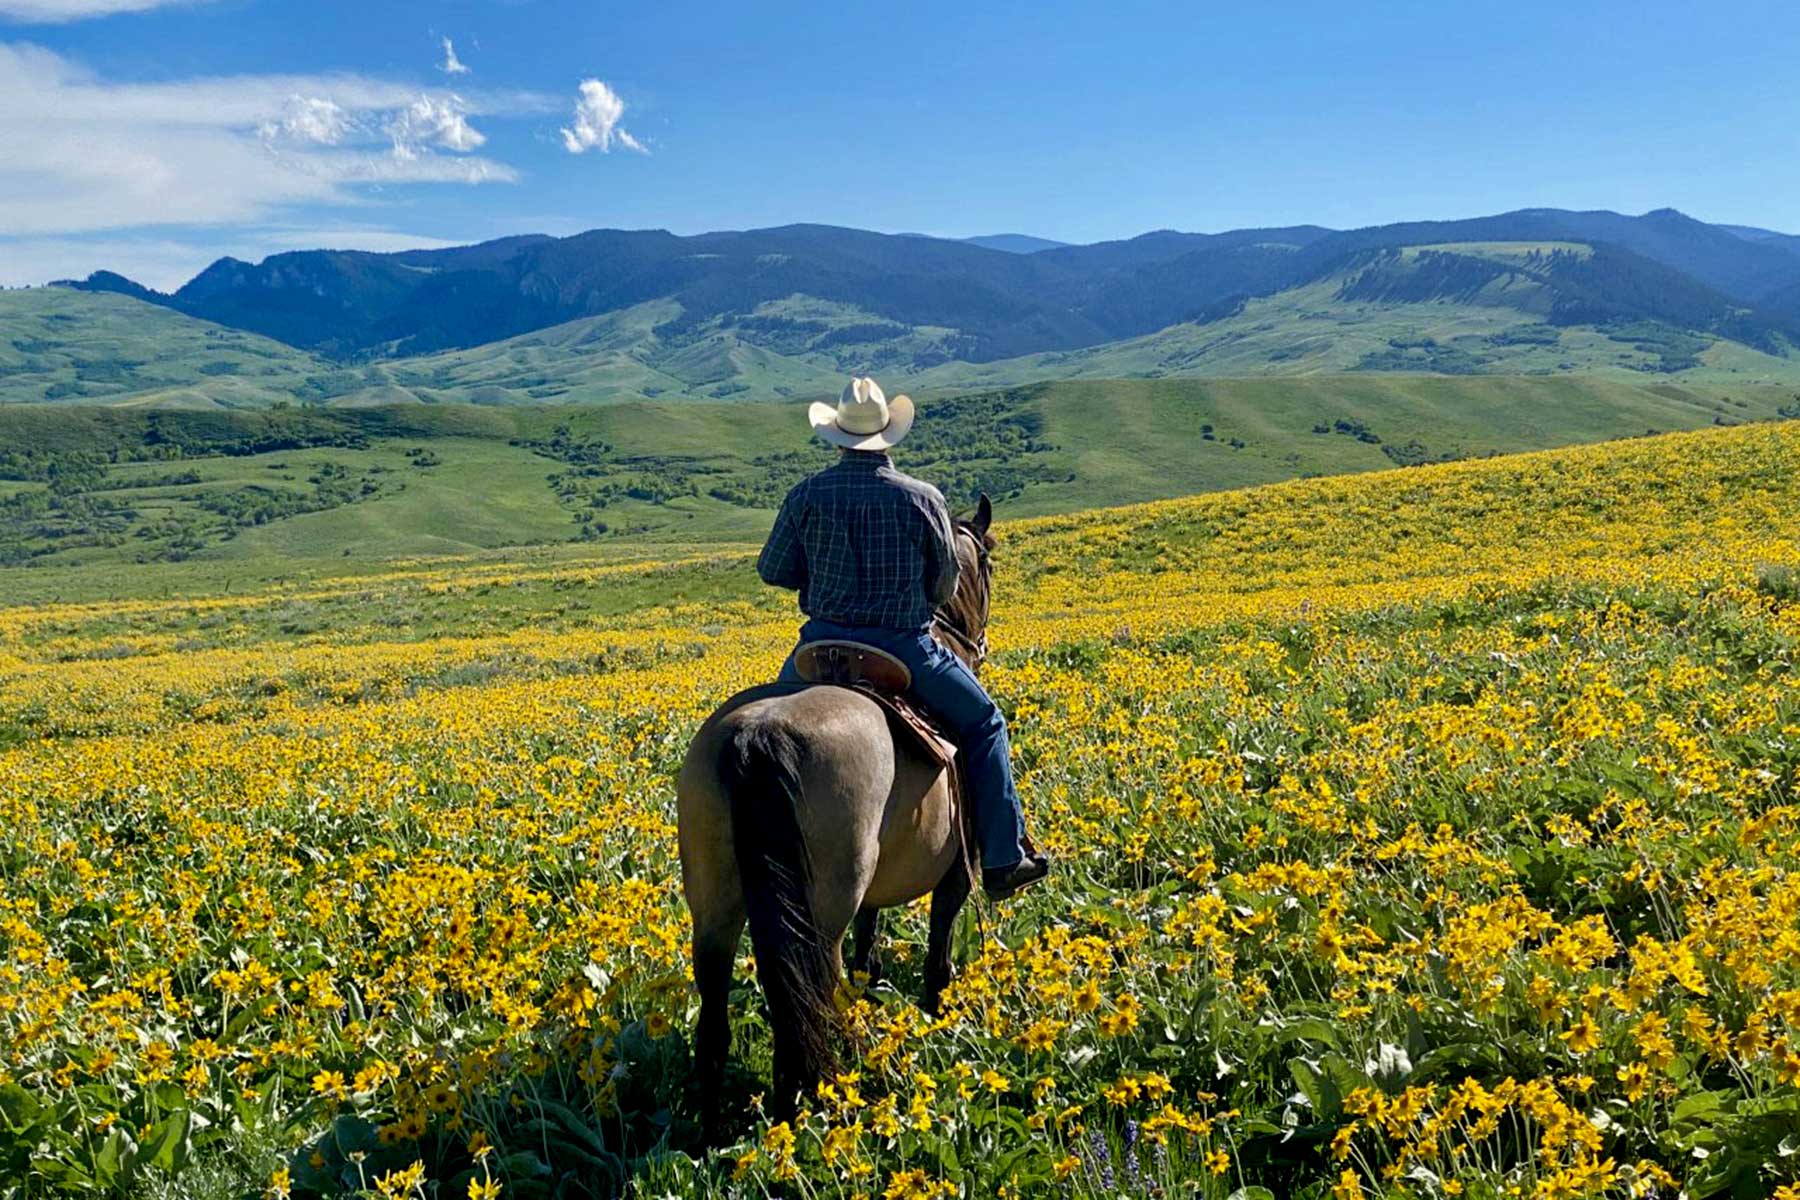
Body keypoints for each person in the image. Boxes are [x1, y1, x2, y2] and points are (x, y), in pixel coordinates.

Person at [758, 376, 1051, 902]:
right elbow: (944, 586)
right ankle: (1005, 857)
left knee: (760, 728)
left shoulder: (805, 495)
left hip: (818, 649)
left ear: (839, 436)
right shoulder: (923, 498)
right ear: (889, 436)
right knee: (986, 723)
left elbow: (773, 570)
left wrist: (821, 576)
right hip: (904, 649)